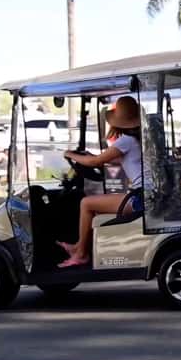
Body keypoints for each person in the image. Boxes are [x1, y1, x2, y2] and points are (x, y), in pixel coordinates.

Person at [57, 96, 144, 268]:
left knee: (86, 203)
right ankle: (79, 247)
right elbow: (112, 161)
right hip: (144, 194)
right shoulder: (137, 139)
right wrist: (90, 157)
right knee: (94, 204)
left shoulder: (125, 141)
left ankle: (81, 255)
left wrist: (70, 154)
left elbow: (95, 163)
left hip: (140, 198)